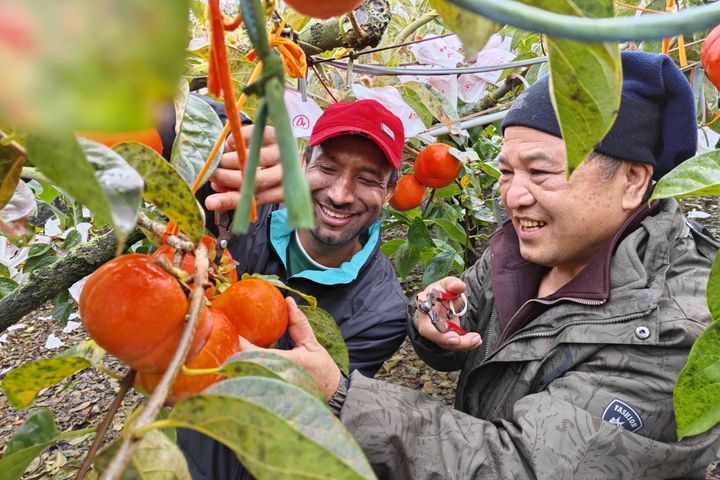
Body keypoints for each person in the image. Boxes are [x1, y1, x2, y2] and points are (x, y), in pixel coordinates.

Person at [252, 50, 720, 479]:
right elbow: (464, 324)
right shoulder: (524, 250)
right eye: (507, 171)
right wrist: (436, 325)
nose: (514, 195)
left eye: (540, 172)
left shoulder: (674, 327)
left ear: (633, 181)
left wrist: (341, 397)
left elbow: (521, 466)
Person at [176, 99, 410, 478]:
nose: (339, 194)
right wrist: (233, 133)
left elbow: (308, 415)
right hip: (188, 448)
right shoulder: (243, 215)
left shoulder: (382, 312)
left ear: (390, 192)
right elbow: (175, 129)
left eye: (367, 179)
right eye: (327, 168)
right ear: (302, 163)